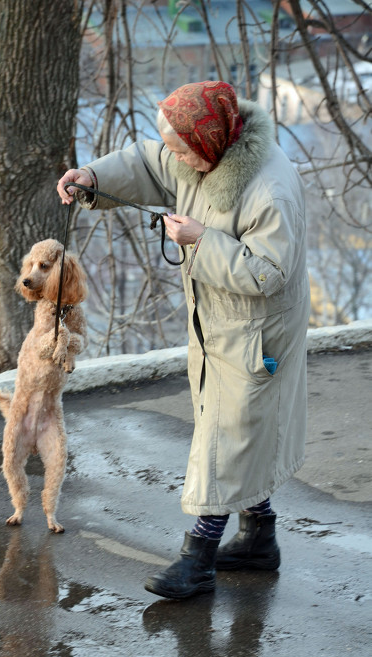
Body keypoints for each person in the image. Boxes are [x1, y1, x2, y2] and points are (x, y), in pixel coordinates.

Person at [57, 81, 310, 600]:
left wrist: (202, 240)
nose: (172, 154)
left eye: (179, 146)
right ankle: (259, 540)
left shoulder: (269, 189)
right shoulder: (201, 152)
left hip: (257, 335)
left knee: (227, 442)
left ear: (209, 140)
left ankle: (196, 562)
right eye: (171, 143)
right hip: (219, 327)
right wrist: (92, 178)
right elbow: (151, 162)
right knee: (238, 440)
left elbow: (269, 273)